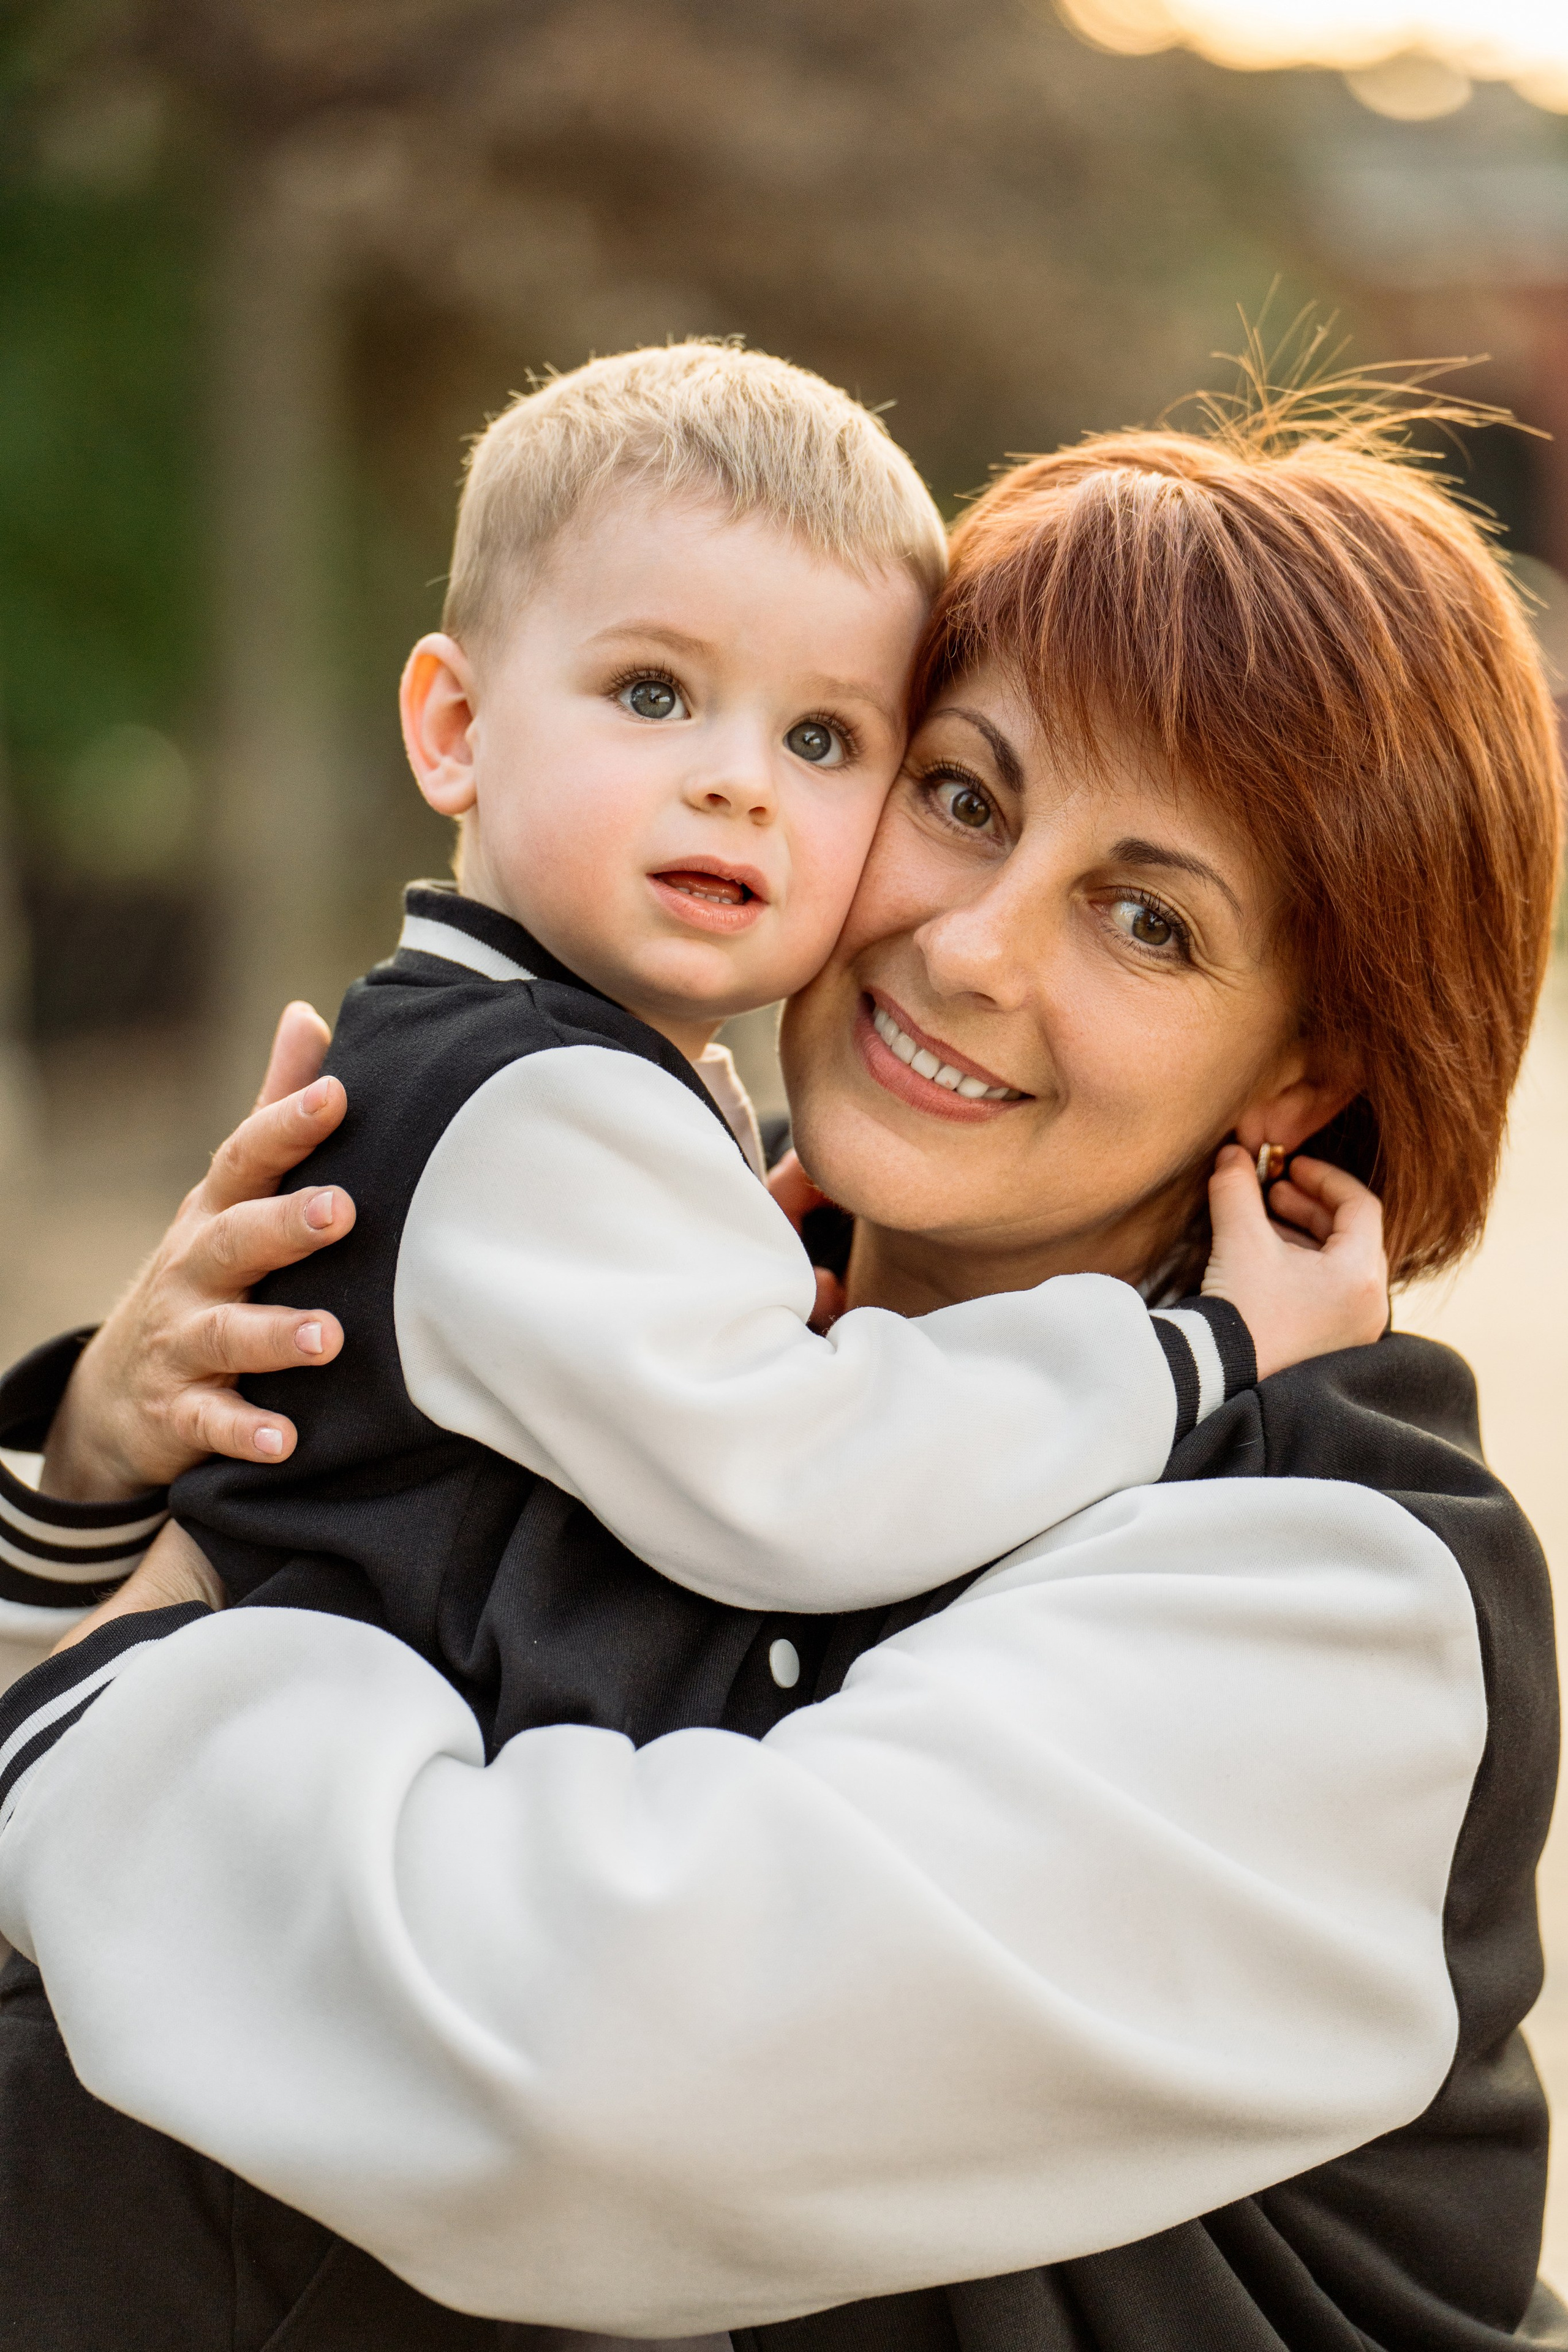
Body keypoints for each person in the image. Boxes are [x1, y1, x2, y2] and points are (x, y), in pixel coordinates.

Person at [0, 391, 1562, 2352]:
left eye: (1147, 920)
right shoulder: (667, 1303)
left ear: (1300, 1079)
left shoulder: (1334, 1593)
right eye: (967, 796)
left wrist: (113, 1692)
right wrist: (95, 1466)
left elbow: (585, 2080)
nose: (976, 947)